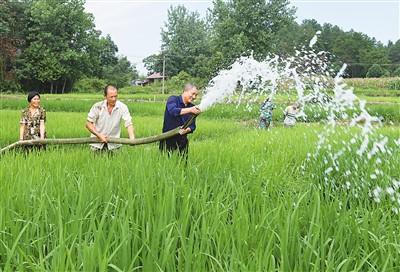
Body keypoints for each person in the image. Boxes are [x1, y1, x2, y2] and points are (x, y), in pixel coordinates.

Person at [85, 85, 135, 151]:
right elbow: (88, 124)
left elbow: (128, 123)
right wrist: (99, 135)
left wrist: (132, 138)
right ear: (105, 96)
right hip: (97, 144)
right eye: (111, 97)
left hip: (114, 145)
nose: (114, 99)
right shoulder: (98, 106)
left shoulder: (122, 107)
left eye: (115, 96)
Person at [159, 83, 201, 157]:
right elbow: (173, 111)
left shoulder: (192, 107)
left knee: (182, 166)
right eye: (193, 93)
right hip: (167, 139)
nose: (194, 97)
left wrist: (186, 130)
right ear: (185, 91)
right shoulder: (173, 99)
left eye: (196, 95)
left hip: (182, 141)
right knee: (165, 164)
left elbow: (192, 126)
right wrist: (190, 110)